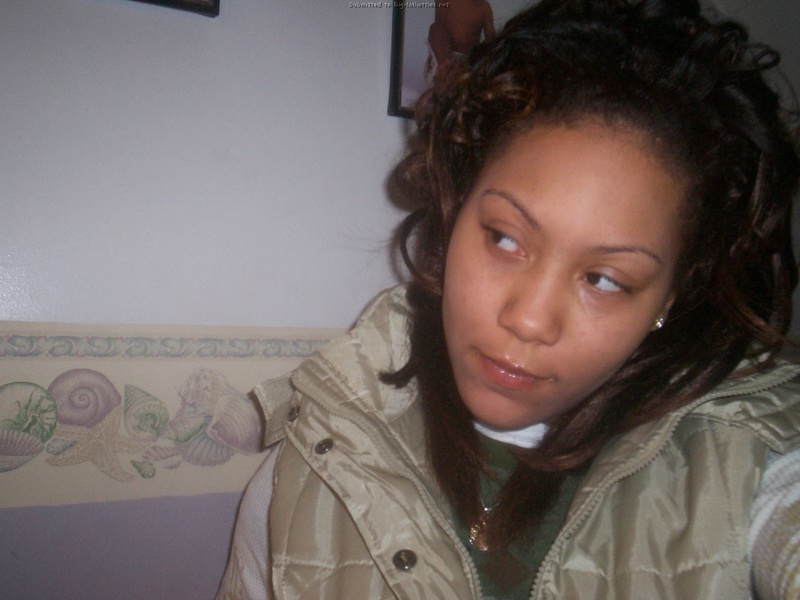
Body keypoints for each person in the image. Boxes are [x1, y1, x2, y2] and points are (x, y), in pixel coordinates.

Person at [217, 0, 800, 598]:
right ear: (454, 215)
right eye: (504, 238)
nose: (528, 319)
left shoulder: (739, 466)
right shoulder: (314, 465)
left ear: (668, 300)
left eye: (605, 279)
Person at [425, 0, 496, 84]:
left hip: (466, 61)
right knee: (436, 29)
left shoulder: (484, 7)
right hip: (440, 61)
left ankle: (453, 77)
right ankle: (445, 74)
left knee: (488, 49)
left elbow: (491, 40)